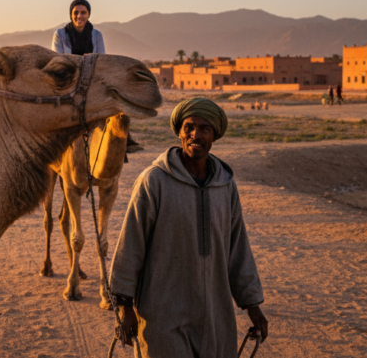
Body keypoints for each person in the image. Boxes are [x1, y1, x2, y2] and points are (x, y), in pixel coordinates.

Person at [109, 98, 268, 356]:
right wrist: (125, 308)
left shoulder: (225, 185)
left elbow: (238, 248)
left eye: (204, 128)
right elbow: (131, 244)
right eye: (189, 127)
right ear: (179, 132)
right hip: (164, 314)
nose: (196, 135)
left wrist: (253, 306)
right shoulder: (154, 181)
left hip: (216, 316)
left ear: (214, 134)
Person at [51, 0, 142, 152]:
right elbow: (58, 60)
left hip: (91, 77)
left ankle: (124, 139)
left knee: (114, 96)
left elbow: (101, 59)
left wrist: (89, 60)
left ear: (88, 14)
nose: (79, 16)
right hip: (68, 79)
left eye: (83, 12)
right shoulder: (60, 34)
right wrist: (84, 60)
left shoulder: (96, 35)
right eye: (76, 12)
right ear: (71, 14)